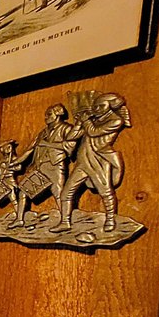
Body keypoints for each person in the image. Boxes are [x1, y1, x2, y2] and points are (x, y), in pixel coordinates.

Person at [51, 93, 131, 232]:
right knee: (66, 193)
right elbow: (71, 137)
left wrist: (86, 121)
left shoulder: (115, 120)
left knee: (105, 191)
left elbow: (94, 132)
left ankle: (110, 220)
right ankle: (65, 222)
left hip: (99, 160)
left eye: (101, 106)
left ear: (111, 106)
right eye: (95, 106)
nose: (97, 109)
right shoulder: (92, 120)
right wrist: (78, 123)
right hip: (83, 161)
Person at [12, 104, 78, 226]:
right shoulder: (43, 132)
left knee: (59, 193)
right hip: (41, 167)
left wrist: (47, 144)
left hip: (55, 166)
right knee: (23, 191)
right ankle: (19, 220)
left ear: (58, 114)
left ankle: (66, 222)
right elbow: (30, 149)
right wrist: (16, 162)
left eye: (49, 114)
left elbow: (69, 146)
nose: (46, 117)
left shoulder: (67, 128)